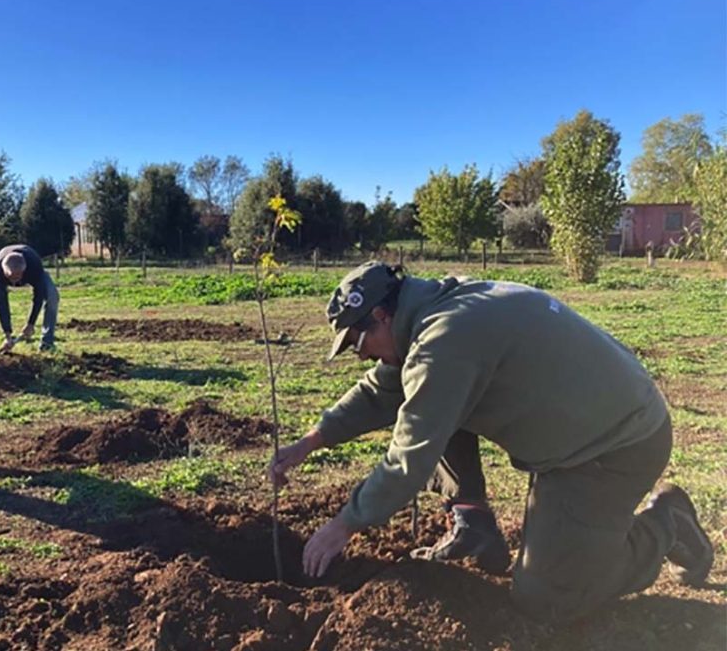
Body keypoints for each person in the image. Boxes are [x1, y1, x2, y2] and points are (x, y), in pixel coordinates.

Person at [269, 262, 713, 622]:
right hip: (579, 427)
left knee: (547, 599)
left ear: (383, 315)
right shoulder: (431, 311)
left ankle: (664, 525)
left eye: (358, 341)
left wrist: (344, 524)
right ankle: (474, 526)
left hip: (613, 446)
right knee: (428, 396)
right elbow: (383, 389)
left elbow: (411, 455)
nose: (360, 354)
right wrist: (311, 441)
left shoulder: (446, 339)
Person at [0, 244, 59, 354]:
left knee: (52, 295)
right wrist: (7, 334)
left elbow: (38, 296)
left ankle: (47, 343)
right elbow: (1, 301)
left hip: (34, 266)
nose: (14, 282)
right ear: (5, 271)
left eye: (17, 277)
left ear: (24, 270)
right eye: (11, 278)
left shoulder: (34, 266)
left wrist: (31, 324)